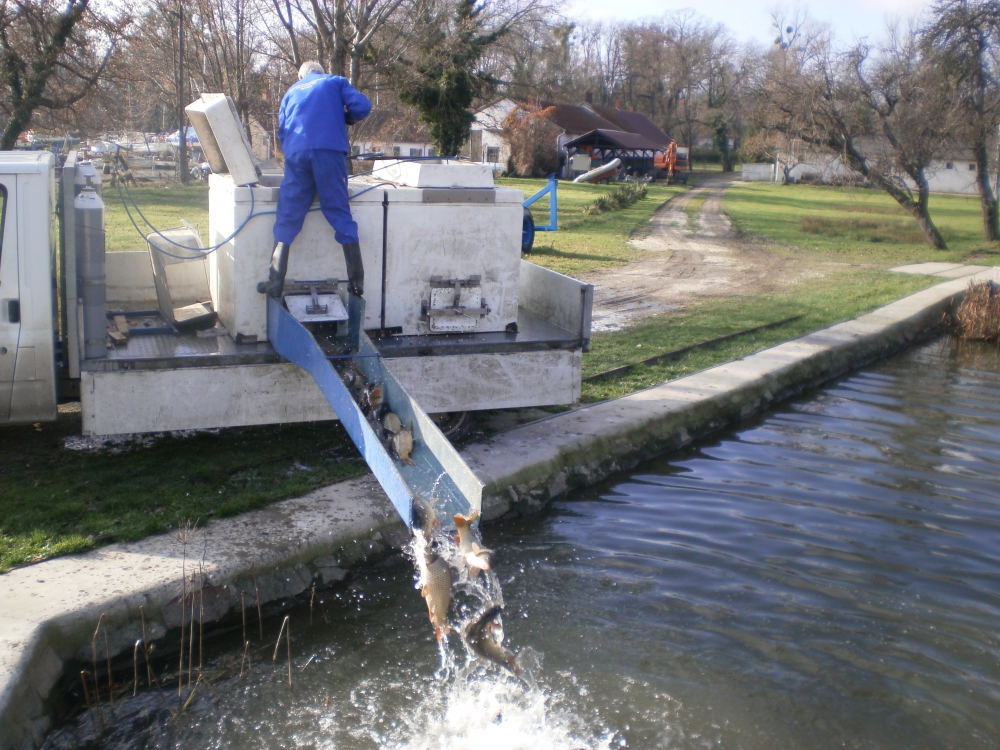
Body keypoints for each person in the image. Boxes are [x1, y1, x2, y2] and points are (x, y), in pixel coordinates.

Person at [258, 61, 372, 299]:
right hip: (328, 153)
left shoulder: (290, 92)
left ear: (302, 75)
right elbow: (362, 107)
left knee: (288, 215)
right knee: (339, 213)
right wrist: (347, 118)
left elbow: (282, 130)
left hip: (297, 155)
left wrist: (295, 151)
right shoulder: (335, 81)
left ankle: (275, 281)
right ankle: (356, 283)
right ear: (319, 71)